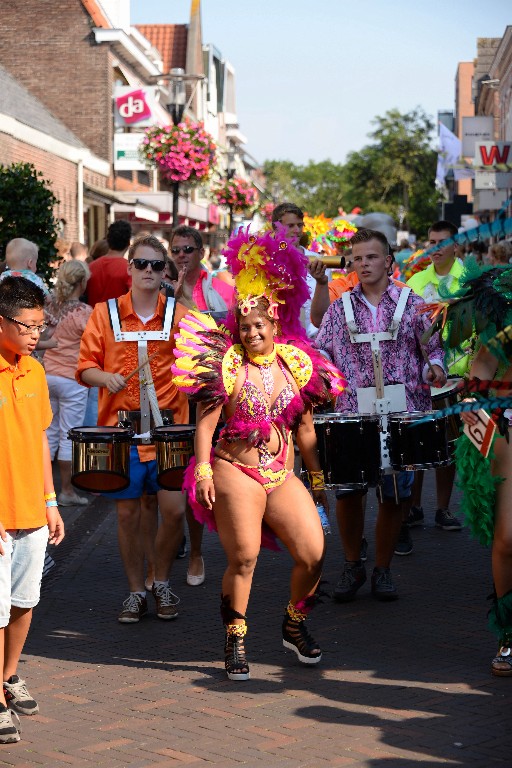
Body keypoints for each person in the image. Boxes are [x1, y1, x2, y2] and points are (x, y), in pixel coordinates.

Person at [173, 227, 345, 680]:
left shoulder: (297, 363)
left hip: (281, 472)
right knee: (244, 556)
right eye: (244, 326)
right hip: (234, 468)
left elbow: (305, 429)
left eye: (259, 325)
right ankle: (235, 638)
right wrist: (206, 471)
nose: (251, 332)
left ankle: (294, 623)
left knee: (313, 552)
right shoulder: (226, 364)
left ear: (273, 325)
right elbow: (205, 425)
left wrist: (319, 479)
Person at [314, 228, 446, 602]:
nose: (364, 264)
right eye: (357, 258)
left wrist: (434, 368)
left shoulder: (413, 302)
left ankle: (383, 570)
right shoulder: (340, 308)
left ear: (388, 261)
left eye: (371, 257)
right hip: (353, 414)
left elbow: (434, 350)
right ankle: (353, 564)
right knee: (348, 495)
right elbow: (321, 352)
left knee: (392, 497)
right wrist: (320, 376)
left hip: (402, 414)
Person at [76, 234, 190, 623]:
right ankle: (136, 590)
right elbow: (84, 367)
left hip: (169, 434)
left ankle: (160, 580)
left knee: (173, 511)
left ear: (164, 271)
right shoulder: (103, 313)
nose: (148, 271)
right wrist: (104, 377)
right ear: (129, 268)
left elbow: (203, 359)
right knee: (129, 514)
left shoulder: (179, 313)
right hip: (120, 432)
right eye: (141, 264)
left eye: (156, 265)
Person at [0, 276, 65, 743]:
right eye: (27, 326)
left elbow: (42, 437)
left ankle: (9, 675)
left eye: (41, 326)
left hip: (33, 510)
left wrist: (51, 500)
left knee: (25, 602)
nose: (35, 334)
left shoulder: (35, 371)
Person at [169, 225, 235, 584]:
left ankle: (199, 551)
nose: (182, 256)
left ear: (200, 252)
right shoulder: (159, 285)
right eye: (176, 250)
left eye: (188, 249)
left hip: (212, 396)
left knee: (206, 470)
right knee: (173, 475)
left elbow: (225, 335)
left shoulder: (219, 285)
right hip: (171, 395)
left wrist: (186, 305)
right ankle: (176, 538)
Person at [406, 221, 468, 533]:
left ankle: (443, 508)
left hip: (461, 373)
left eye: (443, 242)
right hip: (424, 374)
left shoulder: (470, 279)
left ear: (456, 246)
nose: (436, 248)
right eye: (432, 242)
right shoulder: (416, 281)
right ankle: (414, 506)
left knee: (451, 446)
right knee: (418, 443)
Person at [44, 260, 92, 506]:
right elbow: (95, 344)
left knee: (48, 434)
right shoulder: (84, 312)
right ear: (82, 282)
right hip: (71, 379)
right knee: (68, 435)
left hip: (46, 376)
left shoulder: (49, 307)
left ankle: (44, 493)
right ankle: (67, 492)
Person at [271, 202, 327, 339]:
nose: (297, 230)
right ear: (276, 228)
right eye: (291, 226)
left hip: (316, 340)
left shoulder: (319, 261)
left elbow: (327, 307)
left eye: (300, 225)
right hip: (280, 339)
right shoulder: (267, 260)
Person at [86, 220, 132, 308]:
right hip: (118, 319)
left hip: (94, 318)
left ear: (108, 240)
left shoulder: (91, 266)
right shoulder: (129, 269)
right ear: (128, 243)